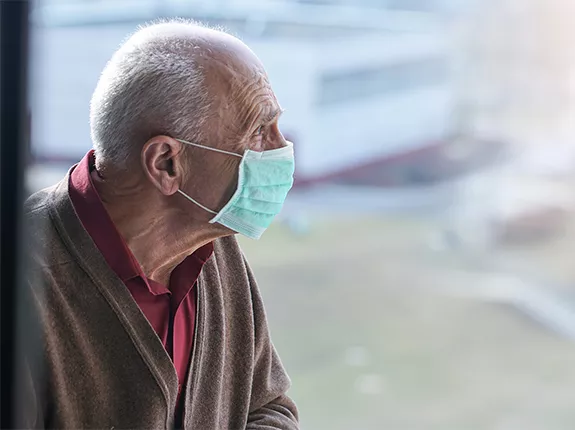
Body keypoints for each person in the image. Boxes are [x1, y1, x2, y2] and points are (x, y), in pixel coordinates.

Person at [20, 19, 299, 429]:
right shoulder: (24, 283)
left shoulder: (214, 247)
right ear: (166, 163)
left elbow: (269, 407)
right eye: (259, 131)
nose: (282, 147)